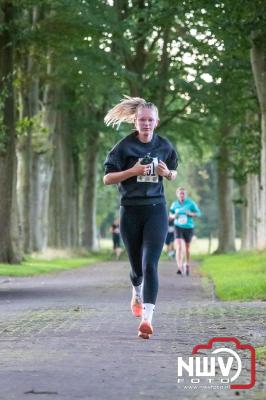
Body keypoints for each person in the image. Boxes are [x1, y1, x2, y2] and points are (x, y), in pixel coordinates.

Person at [103, 96, 178, 339]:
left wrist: (167, 173)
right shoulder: (123, 147)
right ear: (135, 122)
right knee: (137, 268)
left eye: (150, 120)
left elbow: (174, 173)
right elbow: (107, 178)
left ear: (156, 122)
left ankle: (147, 319)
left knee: (150, 264)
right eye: (142, 120)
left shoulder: (165, 146)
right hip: (130, 210)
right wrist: (132, 171)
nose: (146, 124)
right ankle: (136, 291)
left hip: (156, 209)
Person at [170, 187, 201, 276]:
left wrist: (190, 214)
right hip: (178, 226)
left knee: (187, 248)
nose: (182, 195)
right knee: (179, 246)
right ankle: (179, 267)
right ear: (177, 194)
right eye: (180, 193)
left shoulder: (191, 203)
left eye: (183, 193)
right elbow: (170, 215)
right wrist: (173, 216)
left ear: (186, 195)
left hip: (188, 227)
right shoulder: (174, 204)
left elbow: (198, 213)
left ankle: (187, 264)